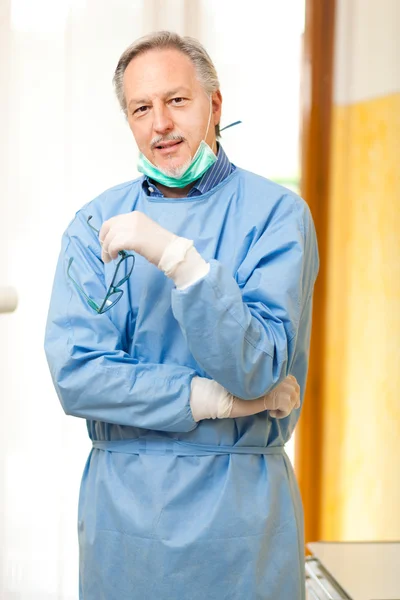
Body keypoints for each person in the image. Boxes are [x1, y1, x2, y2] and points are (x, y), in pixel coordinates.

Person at [44, 31, 319, 600]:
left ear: (214, 105)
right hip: (125, 516)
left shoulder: (276, 216)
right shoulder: (94, 225)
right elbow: (78, 377)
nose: (160, 124)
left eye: (177, 100)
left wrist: (182, 262)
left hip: (239, 513)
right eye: (141, 108)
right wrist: (211, 401)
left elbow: (258, 367)